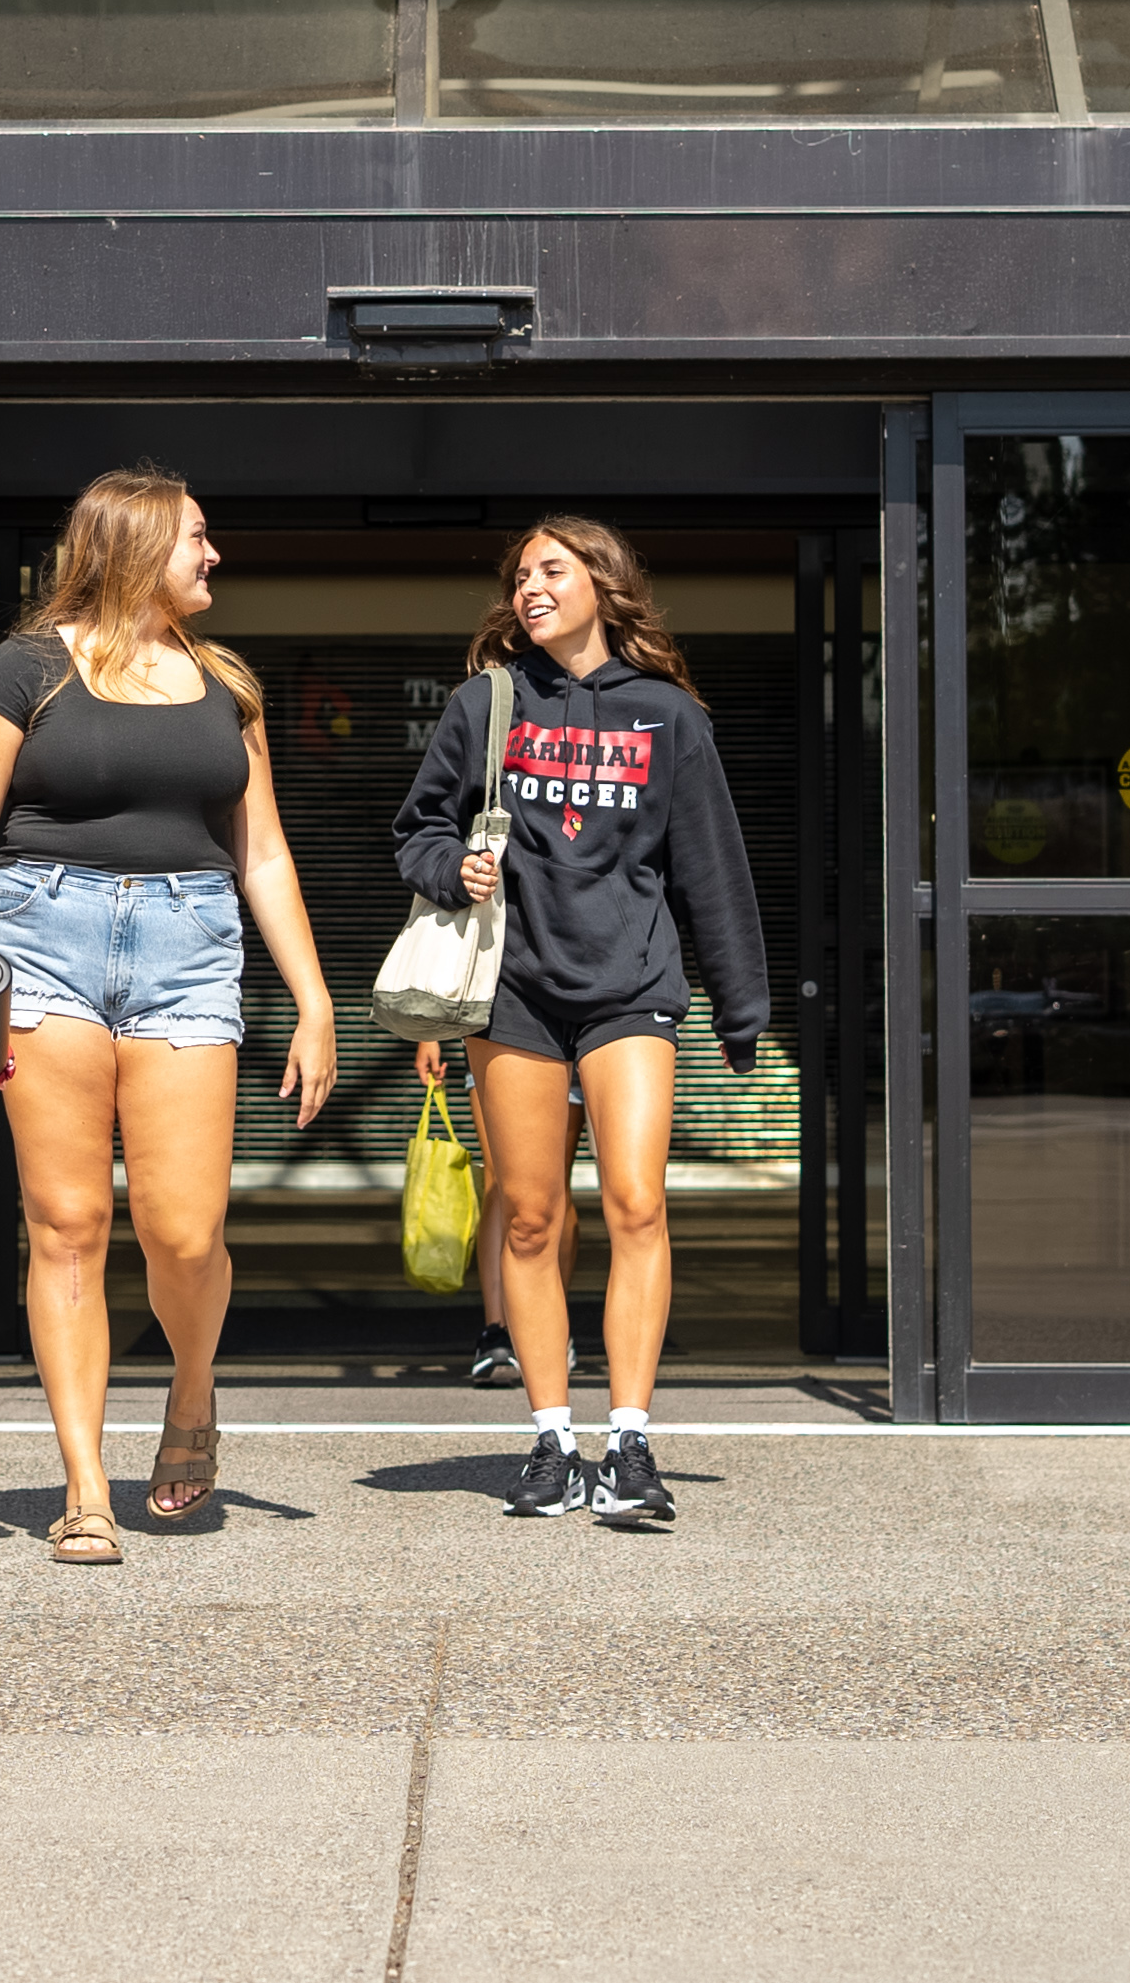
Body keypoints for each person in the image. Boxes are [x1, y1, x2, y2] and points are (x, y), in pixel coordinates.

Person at [0, 467, 340, 1564]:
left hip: (186, 950)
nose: (214, 556)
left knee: (184, 1229)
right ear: (131, 545)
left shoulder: (223, 684)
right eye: (197, 538)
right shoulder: (23, 669)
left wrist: (313, 999)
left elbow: (260, 851)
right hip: (41, 941)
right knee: (66, 1223)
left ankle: (192, 1392)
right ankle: (81, 1486)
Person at [392, 517, 766, 1527]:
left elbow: (712, 870)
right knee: (527, 1213)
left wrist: (742, 1008)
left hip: (628, 987)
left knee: (636, 1201)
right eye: (519, 575)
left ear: (602, 581)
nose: (528, 588)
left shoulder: (666, 717)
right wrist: (449, 865)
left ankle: (630, 1439)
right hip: (512, 989)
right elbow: (415, 827)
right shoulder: (485, 704)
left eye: (550, 570)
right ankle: (554, 1438)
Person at [413, 1038, 577, 1388]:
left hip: (582, 1021)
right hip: (499, 1023)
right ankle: (497, 1331)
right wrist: (429, 1033)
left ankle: (550, 1326)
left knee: (552, 1185)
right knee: (500, 1180)